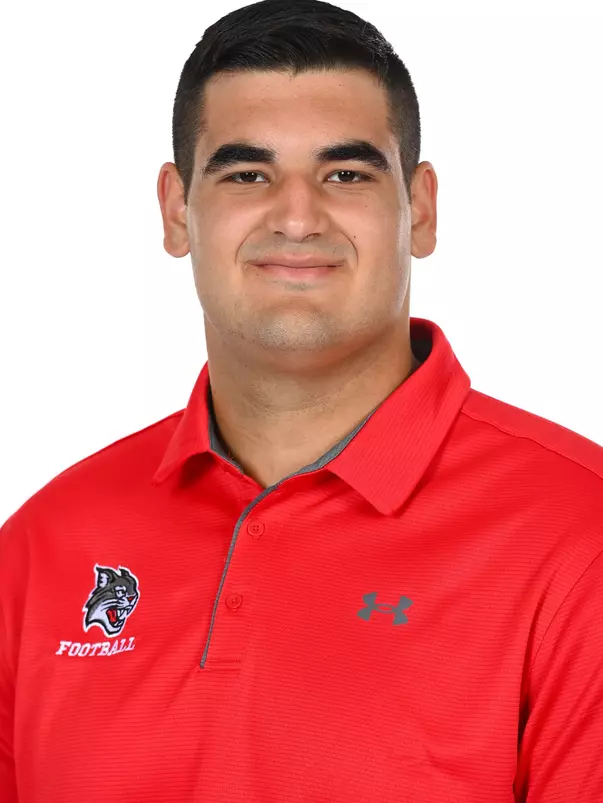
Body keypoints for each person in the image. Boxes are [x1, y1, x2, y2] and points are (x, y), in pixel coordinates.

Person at [1, 0, 602, 800]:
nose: (295, 216)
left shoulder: (577, 532)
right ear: (177, 210)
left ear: (419, 210)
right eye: (246, 174)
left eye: (344, 174)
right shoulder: (43, 545)